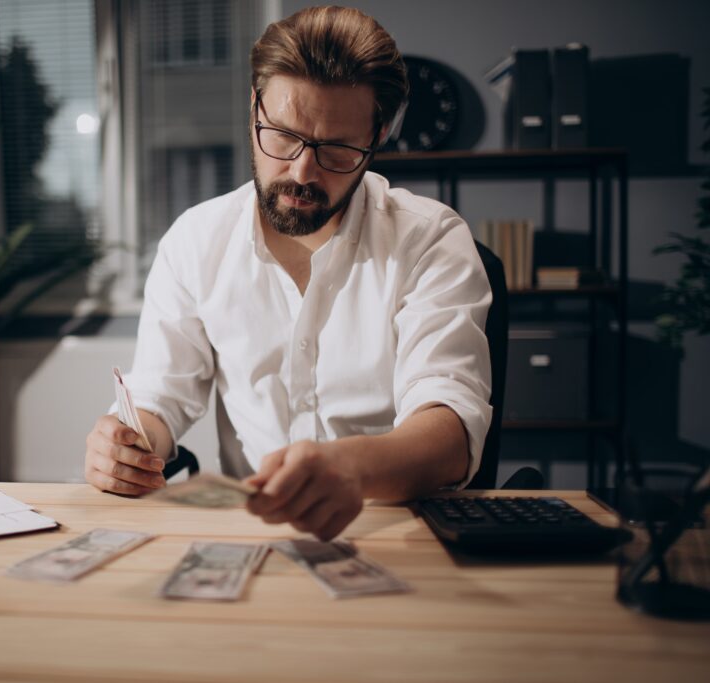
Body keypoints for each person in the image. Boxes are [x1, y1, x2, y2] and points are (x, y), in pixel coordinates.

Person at [84, 5, 492, 541]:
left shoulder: (431, 239)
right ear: (254, 107)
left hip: (399, 535)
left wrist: (353, 467)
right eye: (282, 135)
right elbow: (161, 398)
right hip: (257, 535)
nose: (302, 171)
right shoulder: (195, 241)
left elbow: (451, 430)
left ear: (379, 135)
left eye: (338, 149)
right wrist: (130, 448)